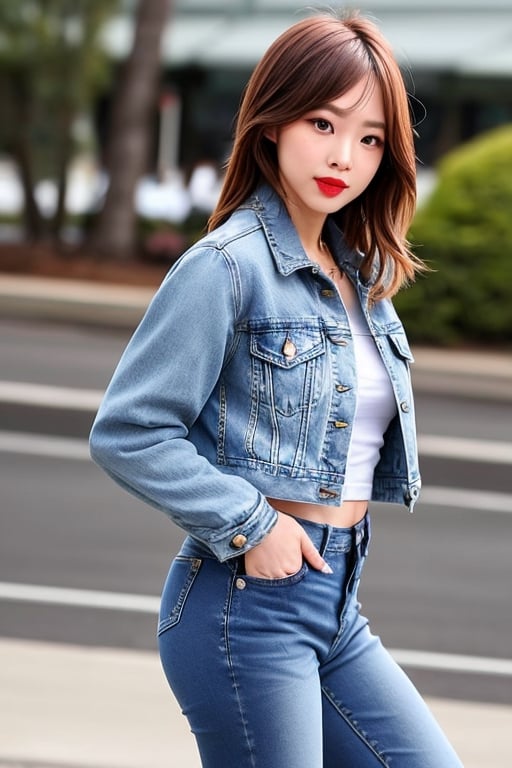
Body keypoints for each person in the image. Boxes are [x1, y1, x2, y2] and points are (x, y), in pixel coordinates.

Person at [90, 11, 463, 768]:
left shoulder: (357, 276)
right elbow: (129, 430)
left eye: (369, 139)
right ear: (272, 121)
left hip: (336, 604)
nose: (344, 156)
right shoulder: (224, 267)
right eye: (323, 123)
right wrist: (252, 526)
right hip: (243, 610)